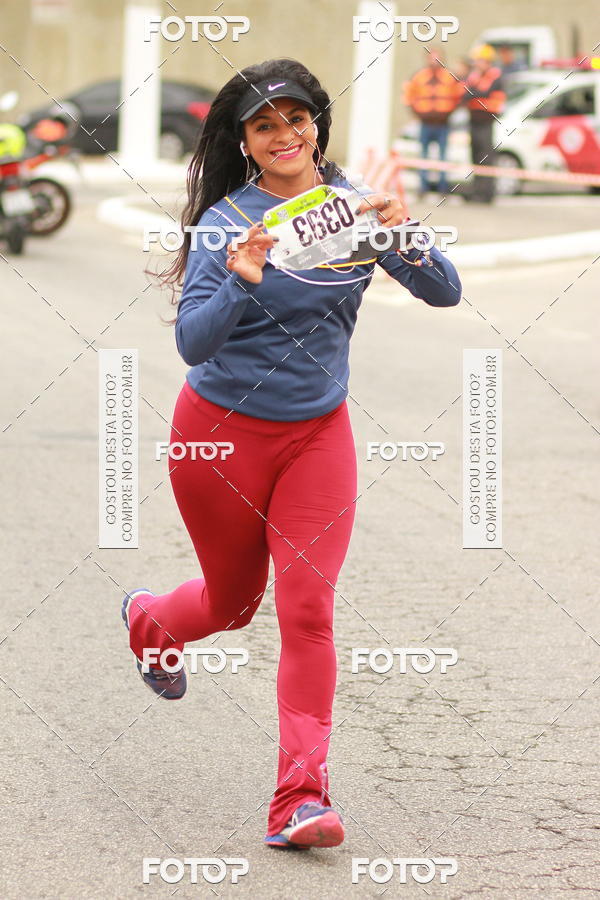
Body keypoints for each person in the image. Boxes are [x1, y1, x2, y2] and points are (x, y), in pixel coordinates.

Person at [122, 58, 462, 852]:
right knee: (232, 604)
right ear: (244, 141)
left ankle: (300, 799)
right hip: (219, 439)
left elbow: (444, 291)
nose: (285, 135)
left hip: (318, 435)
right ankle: (149, 621)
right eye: (265, 124)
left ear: (317, 125)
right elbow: (191, 342)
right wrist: (242, 276)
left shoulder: (350, 208)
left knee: (307, 610)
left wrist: (400, 237)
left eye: (297, 119)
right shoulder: (227, 224)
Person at [403, 47, 464, 196]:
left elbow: (459, 97)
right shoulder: (419, 77)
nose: (434, 61)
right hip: (426, 123)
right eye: (432, 58)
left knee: (443, 157)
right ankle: (423, 188)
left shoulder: (450, 77)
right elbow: (409, 96)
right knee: (423, 156)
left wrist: (448, 113)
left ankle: (443, 188)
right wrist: (417, 113)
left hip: (443, 124)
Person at [459, 44, 506, 203]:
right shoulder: (475, 76)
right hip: (474, 120)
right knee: (476, 156)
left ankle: (487, 193)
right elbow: (466, 93)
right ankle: (477, 191)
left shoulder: (495, 76)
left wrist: (472, 93)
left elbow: (483, 92)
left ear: (487, 61)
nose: (476, 64)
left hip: (486, 121)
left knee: (486, 157)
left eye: (479, 61)